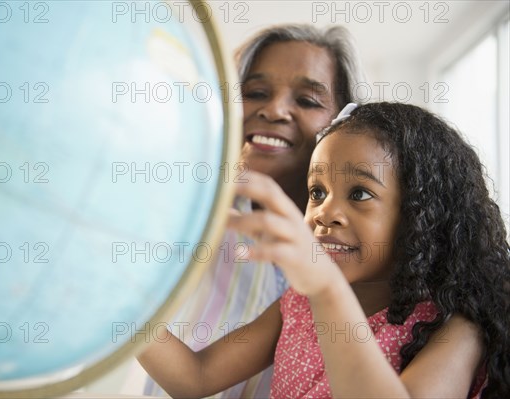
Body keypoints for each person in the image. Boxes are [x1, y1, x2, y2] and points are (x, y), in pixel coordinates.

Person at [138, 102, 510, 398]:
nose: (325, 213)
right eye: (317, 193)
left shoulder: (455, 326)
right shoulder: (297, 305)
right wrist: (120, 306)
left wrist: (325, 287)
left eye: (360, 194)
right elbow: (194, 377)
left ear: (423, 216)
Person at [143, 24, 365, 398]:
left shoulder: (356, 250)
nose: (275, 110)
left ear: (345, 121)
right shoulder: (186, 204)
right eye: (256, 93)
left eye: (308, 101)